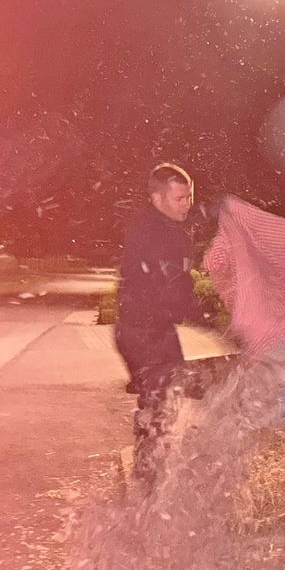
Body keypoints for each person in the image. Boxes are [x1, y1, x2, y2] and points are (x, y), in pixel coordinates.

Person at [115, 162, 200, 478]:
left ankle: (150, 470)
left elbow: (176, 286)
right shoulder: (154, 234)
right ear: (157, 199)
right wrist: (207, 318)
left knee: (163, 400)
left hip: (149, 329)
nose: (186, 205)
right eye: (179, 198)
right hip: (144, 332)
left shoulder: (160, 228)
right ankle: (149, 480)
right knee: (161, 403)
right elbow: (172, 288)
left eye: (189, 197)